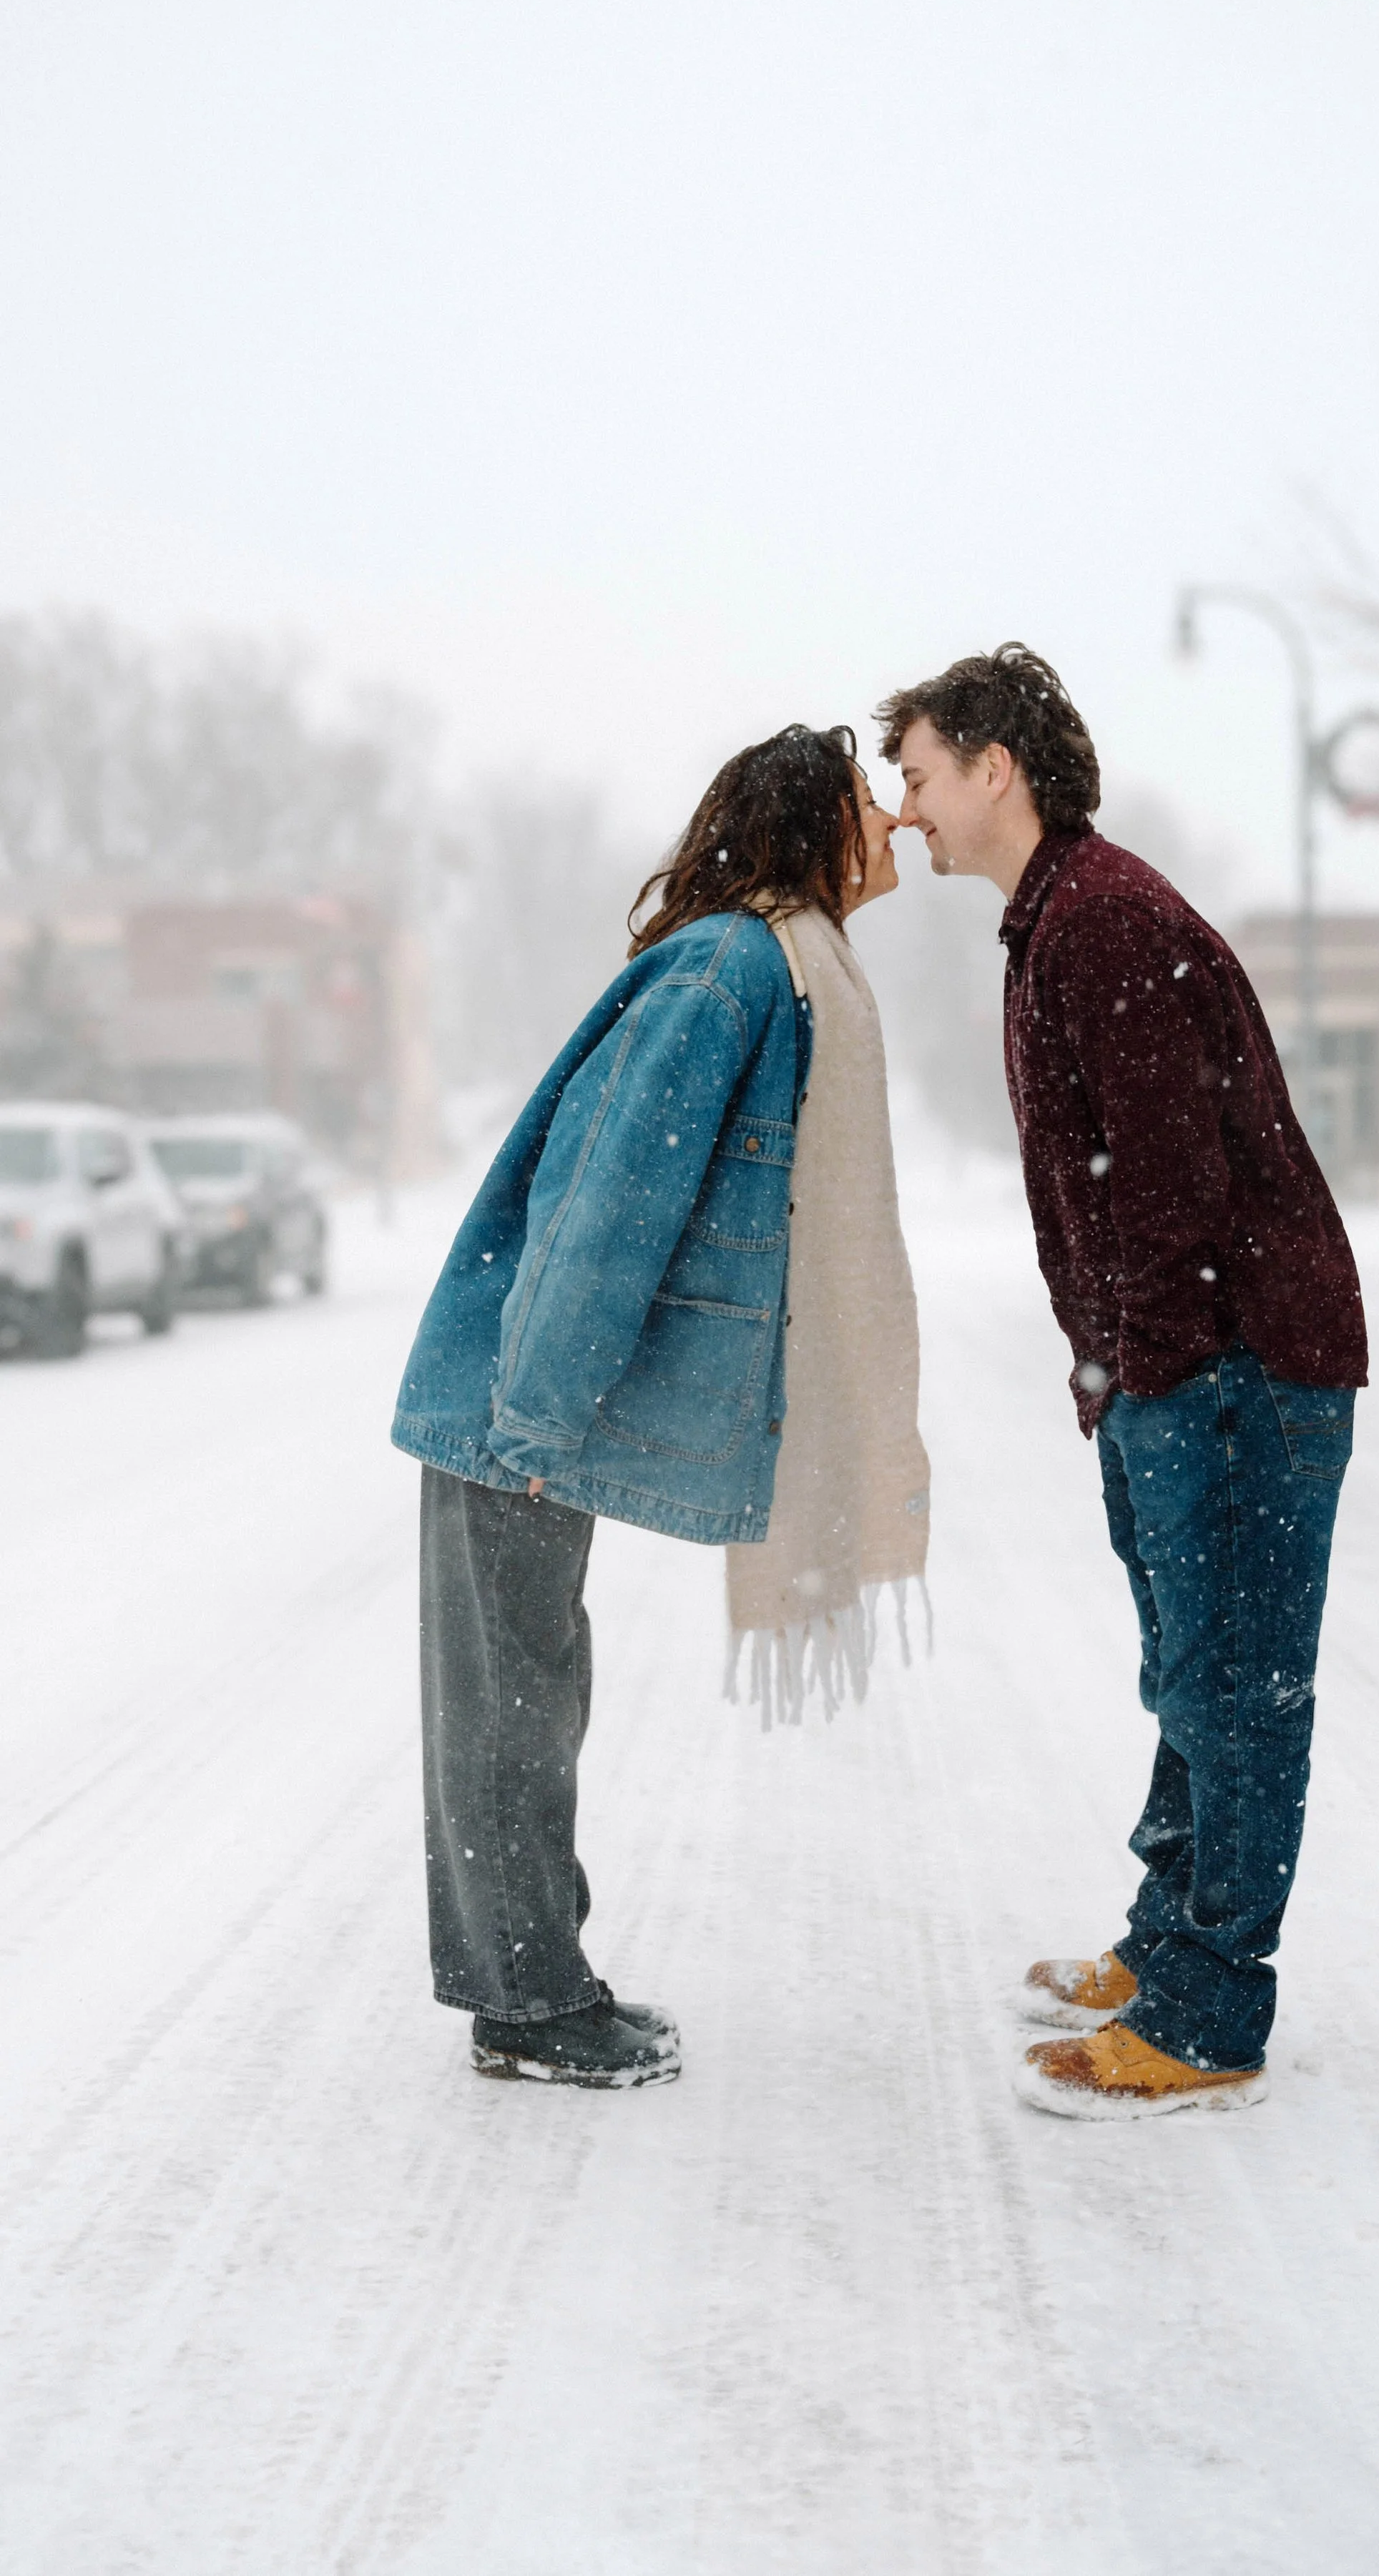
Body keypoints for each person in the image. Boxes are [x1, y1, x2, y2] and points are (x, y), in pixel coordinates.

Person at [391, 724, 926, 2090]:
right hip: (512, 1397)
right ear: (813, 827)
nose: (895, 825)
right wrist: (533, 1420)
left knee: (529, 1691)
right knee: (514, 1704)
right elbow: (608, 1198)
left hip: (529, 1398)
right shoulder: (733, 970)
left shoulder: (772, 968)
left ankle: (536, 1983)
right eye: (872, 804)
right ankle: (530, 2007)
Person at [878, 645, 1365, 2119]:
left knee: (1229, 1684)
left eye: (912, 775)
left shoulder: (1096, 926)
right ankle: (1168, 1943)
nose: (902, 811)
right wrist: (1112, 1373)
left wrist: (1142, 1373)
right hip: (1179, 1364)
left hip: (1229, 1365)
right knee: (1191, 1673)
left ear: (992, 766)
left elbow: (1165, 1190)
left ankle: (1210, 2009)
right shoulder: (1061, 921)